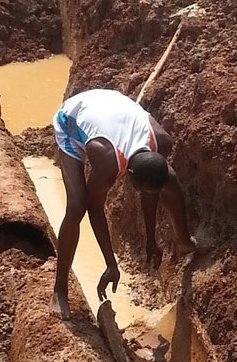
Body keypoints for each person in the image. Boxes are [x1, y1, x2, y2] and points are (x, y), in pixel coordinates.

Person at [50, 88, 195, 320]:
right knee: (76, 205)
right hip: (72, 120)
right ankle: (59, 291)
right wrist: (111, 263)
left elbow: (152, 192)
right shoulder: (107, 161)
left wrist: (152, 241)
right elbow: (94, 208)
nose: (147, 195)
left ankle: (184, 241)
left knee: (172, 182)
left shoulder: (162, 141)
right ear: (127, 175)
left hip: (109, 106)